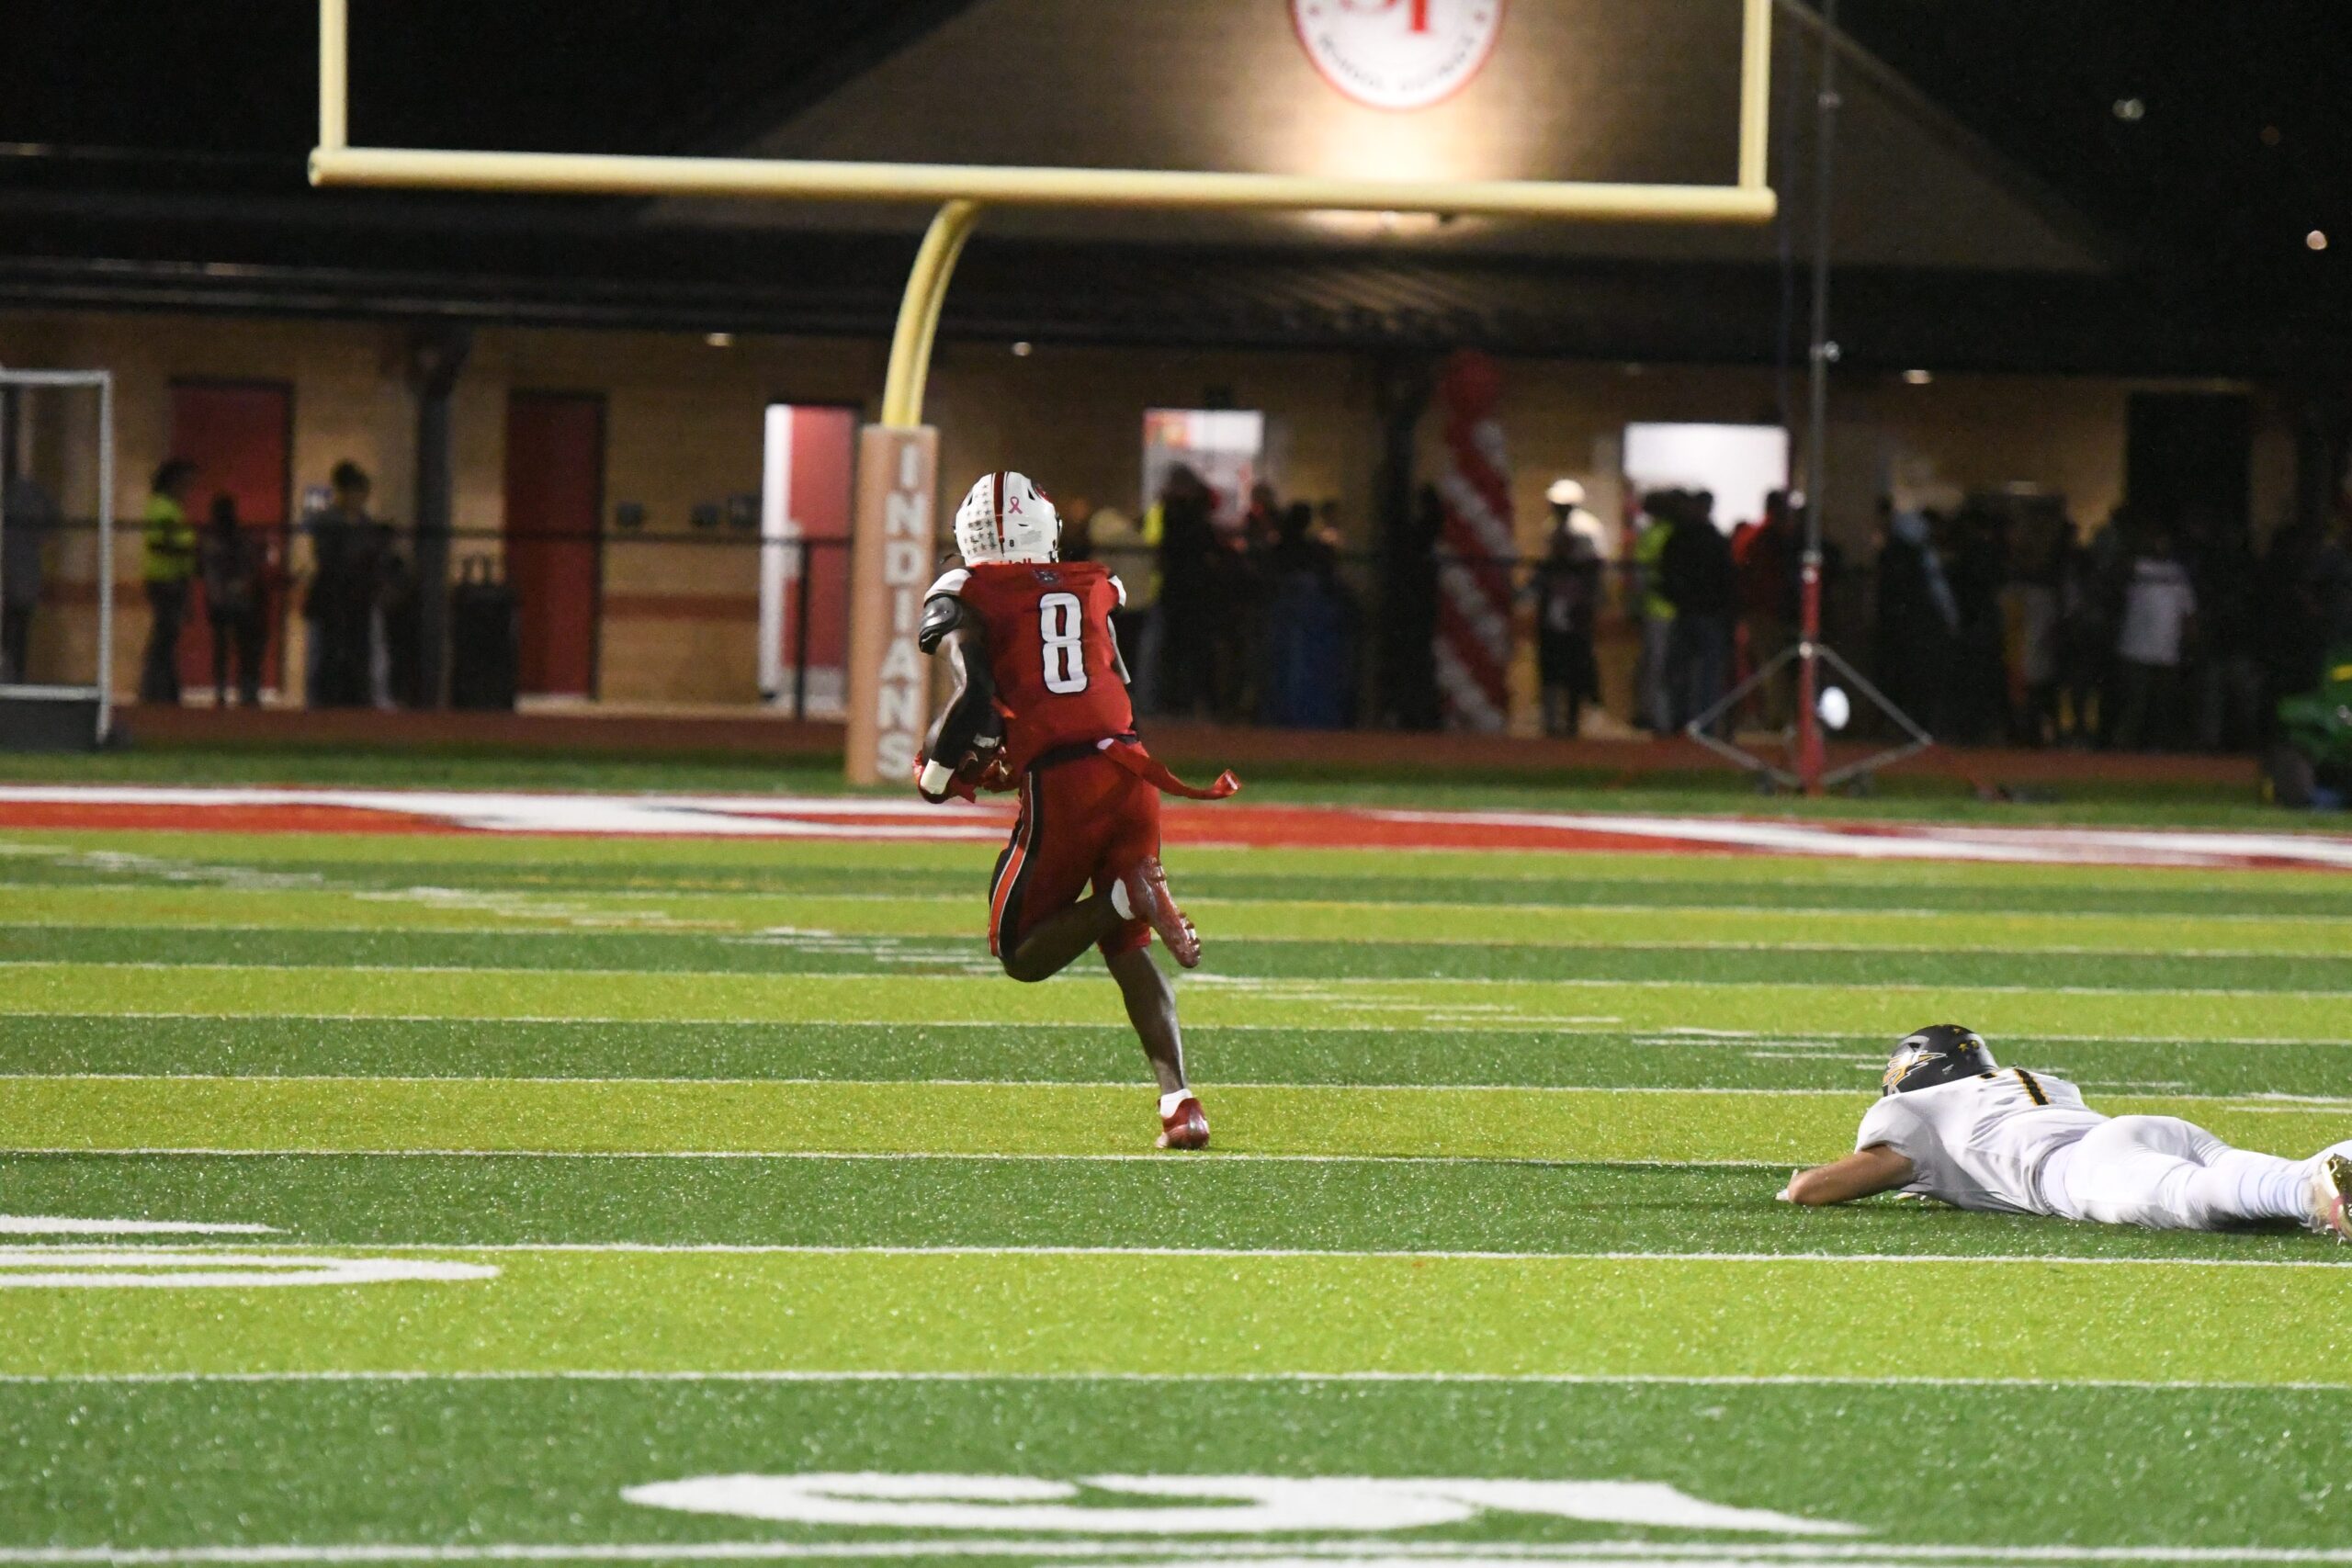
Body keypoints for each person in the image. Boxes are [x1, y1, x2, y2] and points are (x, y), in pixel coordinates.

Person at [913, 470, 1238, 1150]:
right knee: (1126, 951)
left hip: (1068, 785)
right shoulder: (1090, 583)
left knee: (1019, 952)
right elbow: (1108, 681)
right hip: (1131, 768)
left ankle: (1124, 897)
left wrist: (938, 773)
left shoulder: (969, 592)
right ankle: (1179, 1102)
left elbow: (973, 697)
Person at [1782, 1024, 2352, 1239]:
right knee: (2245, 1172)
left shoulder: (1917, 1110)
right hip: (2139, 1130)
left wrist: (1797, 1183)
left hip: (2074, 1167)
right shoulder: (2025, 1082)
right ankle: (2328, 1171)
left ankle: (2310, 1193)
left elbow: (1818, 1190)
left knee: (2194, 1200)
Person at [306, 459, 386, 708]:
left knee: (360, 651)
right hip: (333, 595)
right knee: (330, 651)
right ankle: (325, 700)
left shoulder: (365, 522)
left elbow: (374, 556)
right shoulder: (328, 520)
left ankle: (358, 699)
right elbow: (326, 557)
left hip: (359, 597)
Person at [2111, 528, 2197, 750]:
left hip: (2166, 651)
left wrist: (2189, 644)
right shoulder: (2135, 567)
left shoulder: (2178, 573)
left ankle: (2158, 752)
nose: (2159, 544)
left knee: (2163, 705)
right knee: (2134, 704)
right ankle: (2123, 751)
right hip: (2135, 649)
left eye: (2163, 540)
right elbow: (2116, 579)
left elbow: (2188, 613)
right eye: (2155, 539)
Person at [1661, 491, 1735, 736]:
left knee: (1693, 674)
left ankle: (1690, 722)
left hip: (1696, 613)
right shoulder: (1709, 539)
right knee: (1698, 675)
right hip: (1699, 613)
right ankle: (1698, 724)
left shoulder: (1687, 537)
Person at [1531, 485, 1601, 738]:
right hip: (1552, 614)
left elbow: (1594, 574)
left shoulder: (1586, 532)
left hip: (1575, 615)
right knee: (1550, 670)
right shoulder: (1549, 534)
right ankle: (1551, 722)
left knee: (1575, 670)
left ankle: (1571, 722)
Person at [138, 457, 199, 705]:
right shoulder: (162, 508)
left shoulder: (172, 508)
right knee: (164, 638)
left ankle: (165, 690)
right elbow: (158, 542)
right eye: (186, 483)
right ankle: (155, 692)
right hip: (165, 578)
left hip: (174, 578)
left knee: (167, 637)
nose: (188, 490)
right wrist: (184, 549)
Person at [198, 495, 269, 707]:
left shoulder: (218, 539)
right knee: (238, 647)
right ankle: (240, 690)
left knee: (230, 647)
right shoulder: (225, 539)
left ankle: (232, 690)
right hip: (233, 600)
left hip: (228, 600)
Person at [1, 467, 58, 684]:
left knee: (16, 631)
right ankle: (14, 678)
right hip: (21, 578)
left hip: (20, 577)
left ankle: (13, 679)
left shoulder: (26, 495)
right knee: (16, 632)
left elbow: (51, 525)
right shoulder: (30, 496)